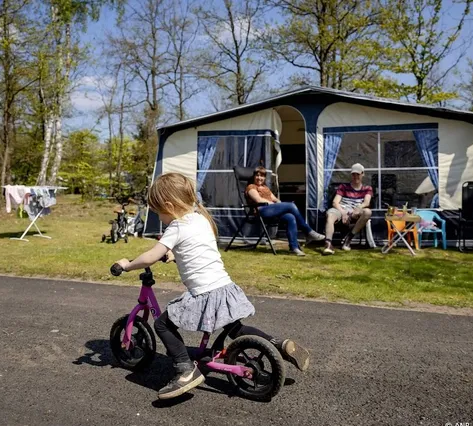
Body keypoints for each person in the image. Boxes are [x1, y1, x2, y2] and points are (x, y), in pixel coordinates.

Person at [115, 172, 310, 400]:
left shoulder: (175, 227)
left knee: (162, 325)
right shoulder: (200, 218)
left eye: (159, 212)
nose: (160, 217)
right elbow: (195, 251)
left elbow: (149, 256)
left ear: (169, 205)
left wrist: (127, 265)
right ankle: (278, 343)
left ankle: (185, 369)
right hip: (225, 288)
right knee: (235, 328)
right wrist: (174, 255)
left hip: (204, 294)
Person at [245, 166, 324, 256]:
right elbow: (259, 200)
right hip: (261, 211)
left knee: (290, 217)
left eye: (262, 176)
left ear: (265, 177)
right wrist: (275, 204)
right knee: (291, 205)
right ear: (254, 176)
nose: (260, 178)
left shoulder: (265, 188)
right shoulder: (251, 187)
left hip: (272, 211)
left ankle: (294, 248)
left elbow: (276, 200)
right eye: (257, 175)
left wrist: (281, 205)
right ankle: (308, 231)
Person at [323, 163, 373, 255]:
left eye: (358, 174)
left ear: (363, 174)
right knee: (330, 215)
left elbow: (366, 202)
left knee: (367, 212)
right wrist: (343, 212)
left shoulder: (367, 188)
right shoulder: (343, 187)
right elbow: (335, 202)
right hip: (341, 209)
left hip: (355, 211)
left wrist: (359, 207)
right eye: (353, 174)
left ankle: (349, 239)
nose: (355, 176)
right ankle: (328, 244)